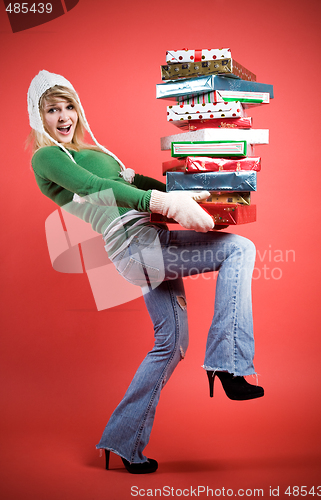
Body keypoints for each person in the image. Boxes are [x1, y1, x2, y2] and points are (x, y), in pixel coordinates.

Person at [27, 70, 264, 475]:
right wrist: (165, 202)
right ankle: (228, 362)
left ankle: (122, 442)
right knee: (240, 250)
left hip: (148, 242)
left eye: (69, 107)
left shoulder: (97, 150)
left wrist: (193, 195)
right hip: (135, 246)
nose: (63, 117)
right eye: (52, 110)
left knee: (170, 345)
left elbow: (136, 181)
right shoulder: (47, 156)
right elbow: (91, 186)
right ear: (39, 116)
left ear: (78, 111)